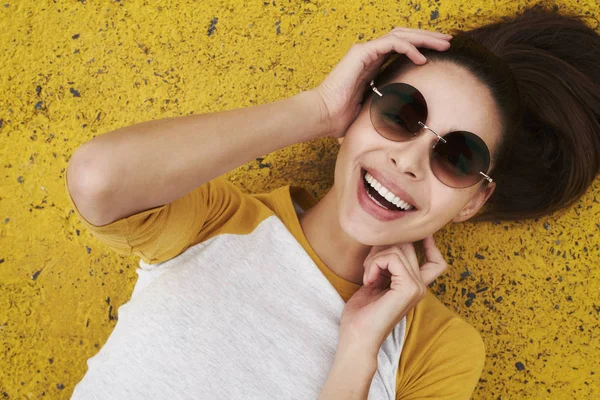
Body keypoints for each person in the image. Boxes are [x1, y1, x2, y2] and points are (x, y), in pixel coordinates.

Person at [64, 5, 600, 400]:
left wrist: (358, 350)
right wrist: (317, 110)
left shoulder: (436, 350)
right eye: (399, 114)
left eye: (457, 157)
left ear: (473, 201)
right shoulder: (217, 219)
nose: (408, 161)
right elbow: (97, 177)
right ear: (354, 116)